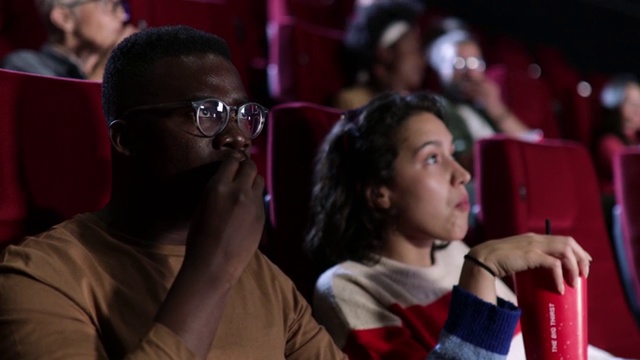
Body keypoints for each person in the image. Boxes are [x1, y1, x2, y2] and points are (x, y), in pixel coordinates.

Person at [0, 25, 565, 359]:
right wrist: (212, 270)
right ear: (125, 140)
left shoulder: (265, 280)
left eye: (245, 114)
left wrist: (480, 271)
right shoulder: (41, 275)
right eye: (207, 114)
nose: (236, 137)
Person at [306, 92, 613, 359]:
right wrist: (481, 268)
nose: (463, 174)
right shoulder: (346, 287)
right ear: (379, 192)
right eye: (432, 159)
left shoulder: (452, 252)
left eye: (452, 154)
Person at [427, 30, 533, 171]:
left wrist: (496, 109)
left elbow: (532, 144)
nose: (470, 72)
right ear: (441, 70)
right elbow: (465, 164)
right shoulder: (440, 108)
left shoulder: (484, 107)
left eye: (475, 62)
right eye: (459, 64)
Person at [1, 0, 136, 80]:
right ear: (65, 18)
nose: (123, 16)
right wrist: (108, 65)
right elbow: (67, 120)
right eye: (106, 4)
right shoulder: (23, 67)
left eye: (120, 4)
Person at [334, 0, 426, 110]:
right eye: (413, 51)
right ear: (385, 53)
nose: (421, 61)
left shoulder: (415, 106)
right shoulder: (354, 102)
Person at [593, 74, 640, 194]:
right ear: (615, 106)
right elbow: (630, 176)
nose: (638, 110)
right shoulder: (609, 142)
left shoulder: (635, 138)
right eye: (632, 104)